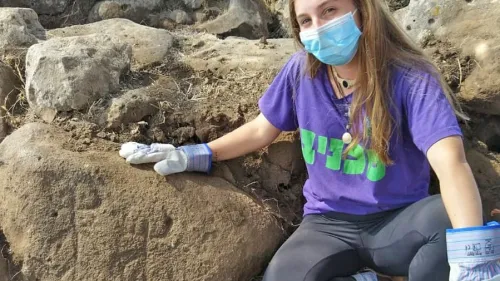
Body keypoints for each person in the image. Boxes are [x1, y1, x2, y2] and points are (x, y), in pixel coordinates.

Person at [119, 0, 492, 280]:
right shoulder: (301, 72)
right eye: (306, 20)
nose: (319, 27)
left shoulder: (411, 77)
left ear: (363, 11)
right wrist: (196, 153)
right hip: (328, 224)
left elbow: (451, 163)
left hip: (398, 221)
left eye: (330, 11)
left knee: (452, 224)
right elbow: (262, 129)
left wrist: (472, 253)